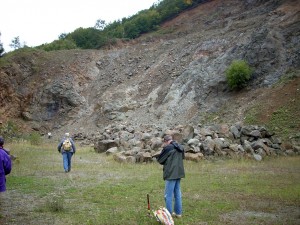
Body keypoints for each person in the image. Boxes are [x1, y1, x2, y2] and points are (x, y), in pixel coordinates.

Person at [157, 135, 185, 218]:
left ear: (166, 141)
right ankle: (178, 213)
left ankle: (168, 214)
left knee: (168, 195)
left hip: (170, 174)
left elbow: (160, 160)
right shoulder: (180, 147)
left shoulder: (168, 148)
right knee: (177, 193)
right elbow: (182, 157)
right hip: (179, 173)